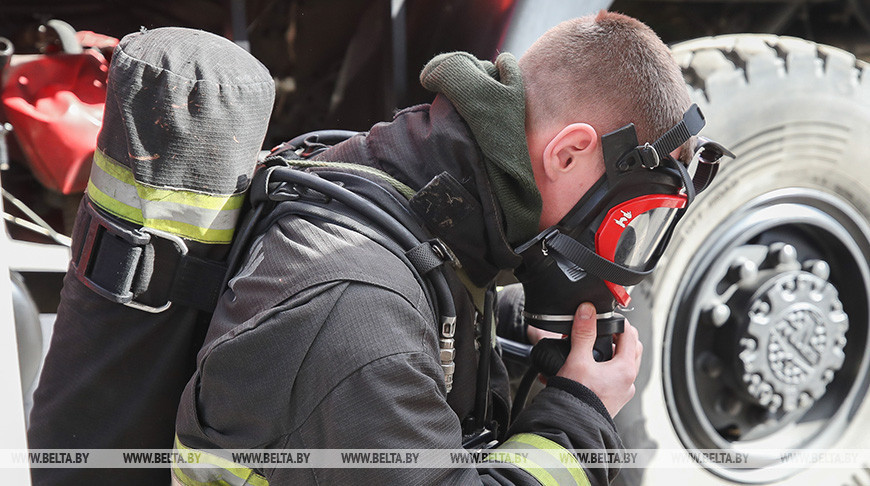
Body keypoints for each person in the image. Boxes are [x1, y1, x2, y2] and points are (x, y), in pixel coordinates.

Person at [172, 12, 692, 486]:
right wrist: (580, 417)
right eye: (624, 217)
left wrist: (504, 333)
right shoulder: (360, 315)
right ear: (569, 152)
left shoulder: (420, 188)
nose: (616, 249)